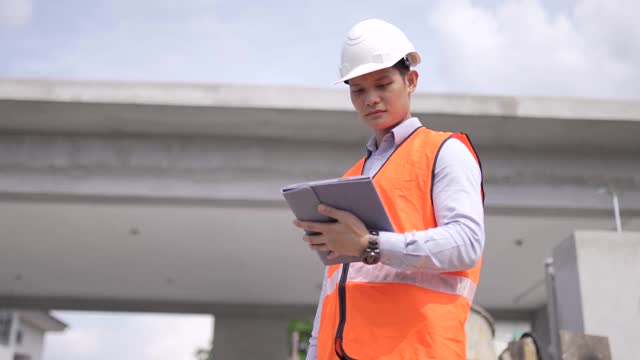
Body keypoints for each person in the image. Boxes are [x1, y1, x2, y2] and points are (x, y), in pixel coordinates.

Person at [293, 19, 485, 359]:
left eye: (383, 85)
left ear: (410, 80)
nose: (371, 100)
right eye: (358, 90)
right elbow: (332, 290)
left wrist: (371, 245)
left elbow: (467, 242)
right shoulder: (351, 178)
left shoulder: (445, 151)